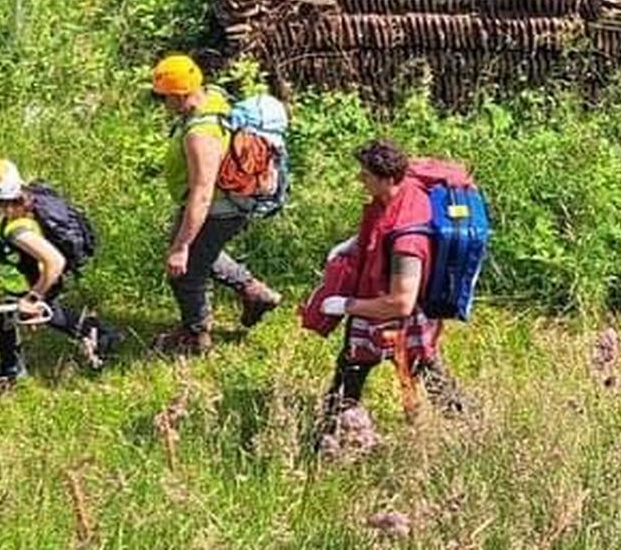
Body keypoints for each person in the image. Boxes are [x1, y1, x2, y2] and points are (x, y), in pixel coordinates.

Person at [316, 137, 463, 420]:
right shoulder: (401, 190)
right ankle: (333, 425)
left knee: (423, 371)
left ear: (387, 180)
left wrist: (346, 305)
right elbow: (379, 230)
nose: (360, 179)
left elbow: (401, 303)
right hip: (373, 297)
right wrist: (354, 244)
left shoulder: (407, 241)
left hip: (399, 316)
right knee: (350, 369)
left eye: (366, 174)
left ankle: (466, 428)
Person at [152, 53, 281, 353]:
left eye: (164, 98)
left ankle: (194, 336)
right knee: (200, 254)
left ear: (180, 96)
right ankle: (254, 292)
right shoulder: (212, 98)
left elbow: (202, 191)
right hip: (225, 204)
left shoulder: (201, 134)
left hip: (218, 209)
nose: (162, 105)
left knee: (184, 271)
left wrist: (182, 246)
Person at [0, 158, 120, 382]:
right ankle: (13, 371)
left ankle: (99, 334)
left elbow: (55, 262)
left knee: (42, 317)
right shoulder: (11, 214)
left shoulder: (19, 230)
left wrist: (34, 296)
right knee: (15, 323)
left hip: (33, 284)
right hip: (22, 282)